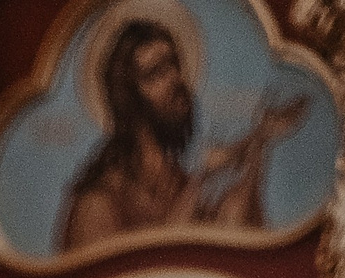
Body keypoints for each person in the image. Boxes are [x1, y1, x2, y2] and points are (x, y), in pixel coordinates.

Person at [57, 17, 304, 252]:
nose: (175, 78)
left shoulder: (179, 183)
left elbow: (244, 243)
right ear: (129, 99)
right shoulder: (99, 202)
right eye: (156, 73)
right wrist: (203, 177)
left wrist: (260, 142)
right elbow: (155, 269)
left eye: (174, 64)